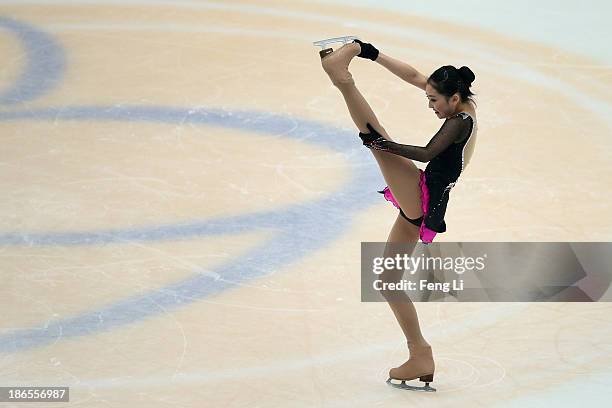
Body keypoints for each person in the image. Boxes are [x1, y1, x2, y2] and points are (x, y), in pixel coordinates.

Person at [319, 39, 478, 390]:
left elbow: (426, 152)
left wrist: (384, 147)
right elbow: (416, 76)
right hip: (422, 205)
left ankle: (341, 79)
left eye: (434, 101)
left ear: (454, 99)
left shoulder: (459, 123)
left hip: (423, 196)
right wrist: (371, 53)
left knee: (374, 136)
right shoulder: (459, 101)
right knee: (388, 283)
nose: (431, 106)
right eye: (428, 98)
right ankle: (420, 352)